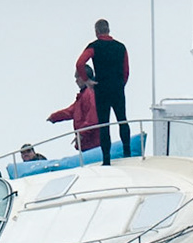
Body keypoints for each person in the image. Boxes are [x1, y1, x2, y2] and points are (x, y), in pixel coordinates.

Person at [75, 18, 131, 164]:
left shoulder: (94, 47)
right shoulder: (121, 47)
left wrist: (87, 80)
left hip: (101, 89)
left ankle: (106, 159)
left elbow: (80, 63)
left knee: (104, 124)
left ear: (96, 31)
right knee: (122, 120)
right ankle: (127, 152)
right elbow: (126, 70)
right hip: (118, 88)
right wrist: (121, 84)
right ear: (108, 29)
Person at [47, 68, 102, 152]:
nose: (76, 81)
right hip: (87, 144)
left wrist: (82, 133)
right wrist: (54, 117)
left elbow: (93, 118)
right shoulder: (83, 96)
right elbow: (70, 111)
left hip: (93, 144)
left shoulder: (90, 94)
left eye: (77, 77)